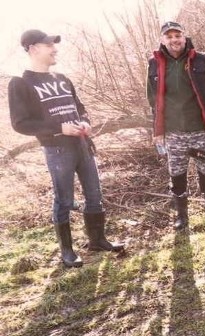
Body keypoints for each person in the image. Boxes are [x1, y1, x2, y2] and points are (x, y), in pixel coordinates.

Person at [8, 29, 124, 268]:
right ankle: (67, 251)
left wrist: (85, 122)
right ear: (33, 49)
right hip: (57, 149)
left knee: (95, 195)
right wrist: (58, 127)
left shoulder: (62, 79)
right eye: (49, 44)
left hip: (82, 144)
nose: (54, 48)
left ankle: (98, 240)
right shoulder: (20, 83)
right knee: (64, 199)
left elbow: (80, 108)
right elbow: (20, 124)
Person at [147, 21, 205, 230]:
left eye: (178, 35)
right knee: (177, 175)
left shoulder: (200, 60)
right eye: (169, 36)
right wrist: (157, 131)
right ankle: (181, 218)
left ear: (184, 37)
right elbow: (153, 100)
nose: (174, 40)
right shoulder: (155, 63)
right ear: (162, 40)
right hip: (173, 133)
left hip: (200, 130)